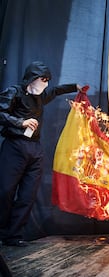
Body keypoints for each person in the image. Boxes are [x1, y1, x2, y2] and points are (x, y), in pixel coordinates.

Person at [0, 61, 82, 247]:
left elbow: (55, 91)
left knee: (27, 195)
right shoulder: (14, 92)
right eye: (42, 79)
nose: (45, 84)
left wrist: (75, 87)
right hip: (14, 147)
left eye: (47, 80)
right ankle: (2, 231)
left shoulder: (40, 97)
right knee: (5, 192)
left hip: (35, 149)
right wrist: (20, 122)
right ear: (31, 78)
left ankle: (13, 236)